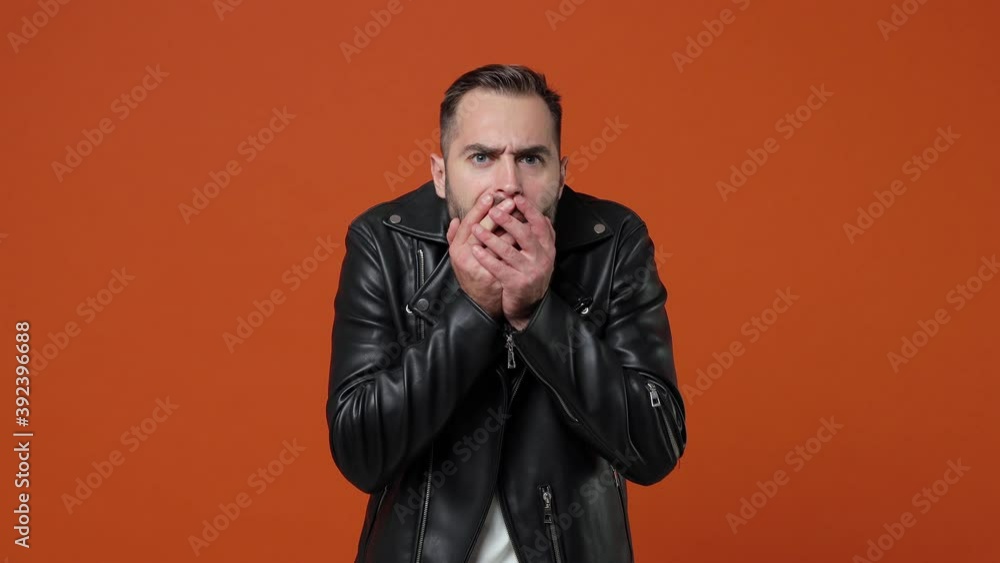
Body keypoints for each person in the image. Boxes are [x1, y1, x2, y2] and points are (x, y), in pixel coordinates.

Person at [326, 63, 686, 563]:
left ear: (562, 175)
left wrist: (540, 312)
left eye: (532, 159)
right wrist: (472, 311)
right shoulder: (383, 242)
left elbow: (655, 447)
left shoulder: (616, 240)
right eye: (481, 157)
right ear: (440, 173)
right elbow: (361, 453)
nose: (507, 184)